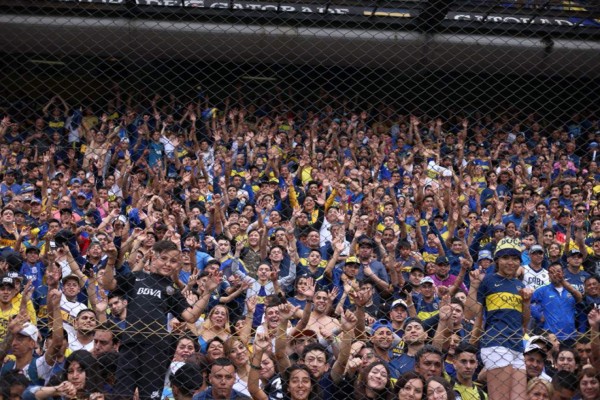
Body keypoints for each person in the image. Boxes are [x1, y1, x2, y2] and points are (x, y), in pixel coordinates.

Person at [103, 240, 217, 399]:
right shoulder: (137, 277)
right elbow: (109, 284)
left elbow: (190, 316)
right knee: (122, 395)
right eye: (163, 258)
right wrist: (110, 260)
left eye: (173, 261)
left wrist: (207, 292)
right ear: (152, 257)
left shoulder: (171, 289)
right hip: (130, 345)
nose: (168, 264)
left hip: (156, 350)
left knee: (150, 396)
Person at [472, 238, 532, 400]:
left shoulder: (519, 285)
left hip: (516, 345)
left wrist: (526, 302)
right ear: (497, 260)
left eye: (515, 259)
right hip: (496, 343)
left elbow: (525, 323)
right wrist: (473, 286)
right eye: (505, 258)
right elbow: (470, 313)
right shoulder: (489, 280)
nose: (510, 262)